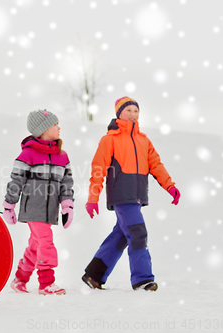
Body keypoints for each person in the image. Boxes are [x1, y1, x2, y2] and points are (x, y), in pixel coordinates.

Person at [82, 96, 181, 291]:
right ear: (119, 113)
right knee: (137, 233)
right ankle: (143, 279)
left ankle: (94, 275)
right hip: (121, 196)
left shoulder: (144, 141)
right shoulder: (109, 139)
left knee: (120, 236)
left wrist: (170, 186)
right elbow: (98, 169)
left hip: (137, 196)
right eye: (128, 110)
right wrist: (93, 198)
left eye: (136, 111)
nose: (133, 115)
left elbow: (156, 166)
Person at [3, 109, 74, 295]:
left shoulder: (62, 156)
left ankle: (20, 279)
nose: (59, 128)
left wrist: (67, 205)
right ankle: (46, 283)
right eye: (55, 124)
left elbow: (67, 183)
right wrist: (9, 205)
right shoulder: (28, 154)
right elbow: (16, 181)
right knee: (46, 242)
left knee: (36, 245)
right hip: (33, 208)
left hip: (50, 210)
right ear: (43, 130)